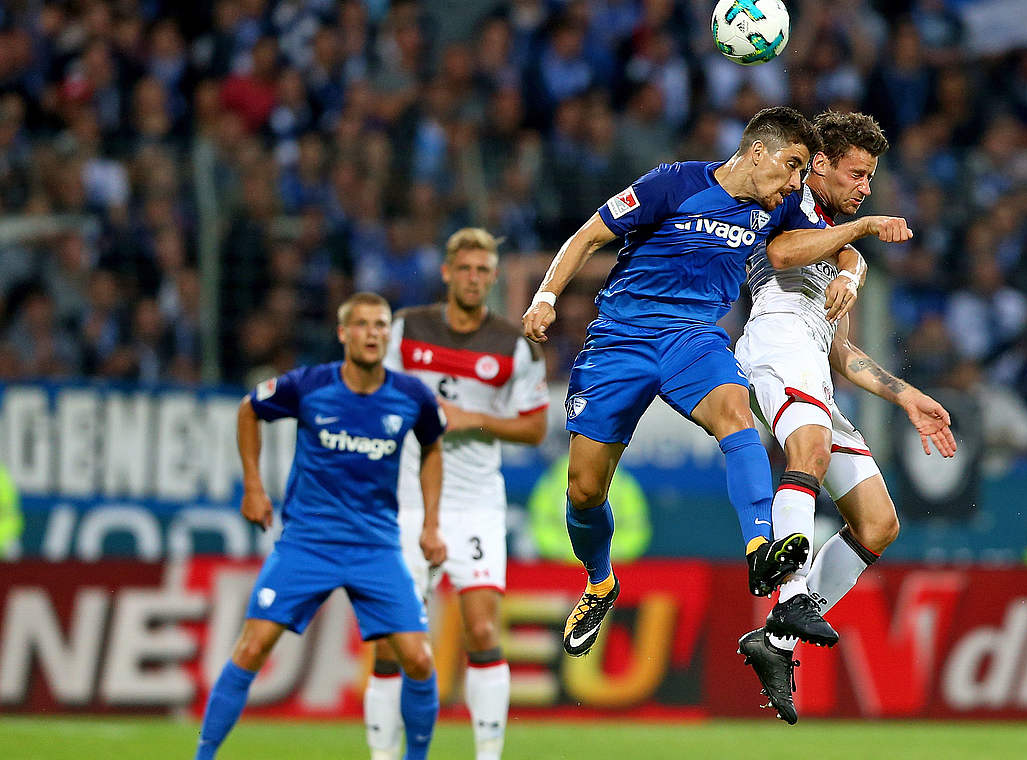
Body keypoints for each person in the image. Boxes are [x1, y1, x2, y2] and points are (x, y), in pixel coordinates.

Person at [521, 106, 913, 658]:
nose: (797, 183)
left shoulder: (775, 208)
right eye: (793, 166)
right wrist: (545, 296)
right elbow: (587, 237)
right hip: (621, 339)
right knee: (585, 490)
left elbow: (834, 242)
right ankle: (600, 579)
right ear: (758, 153)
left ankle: (761, 545)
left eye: (804, 172)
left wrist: (854, 264)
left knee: (737, 417)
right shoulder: (674, 183)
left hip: (693, 339)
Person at [733, 110, 957, 725]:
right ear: (821, 165)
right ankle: (794, 594)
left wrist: (905, 394)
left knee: (879, 524)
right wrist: (858, 238)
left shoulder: (838, 251)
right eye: (856, 175)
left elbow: (844, 353)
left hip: (815, 365)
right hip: (774, 344)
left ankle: (776, 638)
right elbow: (778, 255)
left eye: (871, 179)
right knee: (807, 449)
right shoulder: (787, 198)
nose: (864, 187)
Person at [195, 292, 448, 760]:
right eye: (363, 324)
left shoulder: (411, 396)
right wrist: (253, 485)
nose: (372, 333)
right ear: (343, 334)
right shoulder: (309, 385)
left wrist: (431, 524)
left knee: (418, 658)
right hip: (307, 545)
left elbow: (432, 447)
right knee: (252, 648)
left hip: (375, 547)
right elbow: (249, 410)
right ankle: (203, 755)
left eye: (380, 325)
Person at [364, 228, 549, 760]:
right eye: (464, 269)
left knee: (484, 628)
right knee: (390, 640)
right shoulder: (406, 330)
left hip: (474, 504)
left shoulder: (511, 346)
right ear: (447, 273)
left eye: (483, 271)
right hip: (406, 501)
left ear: (493, 278)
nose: (473, 279)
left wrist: (474, 420)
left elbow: (534, 428)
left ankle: (487, 756)